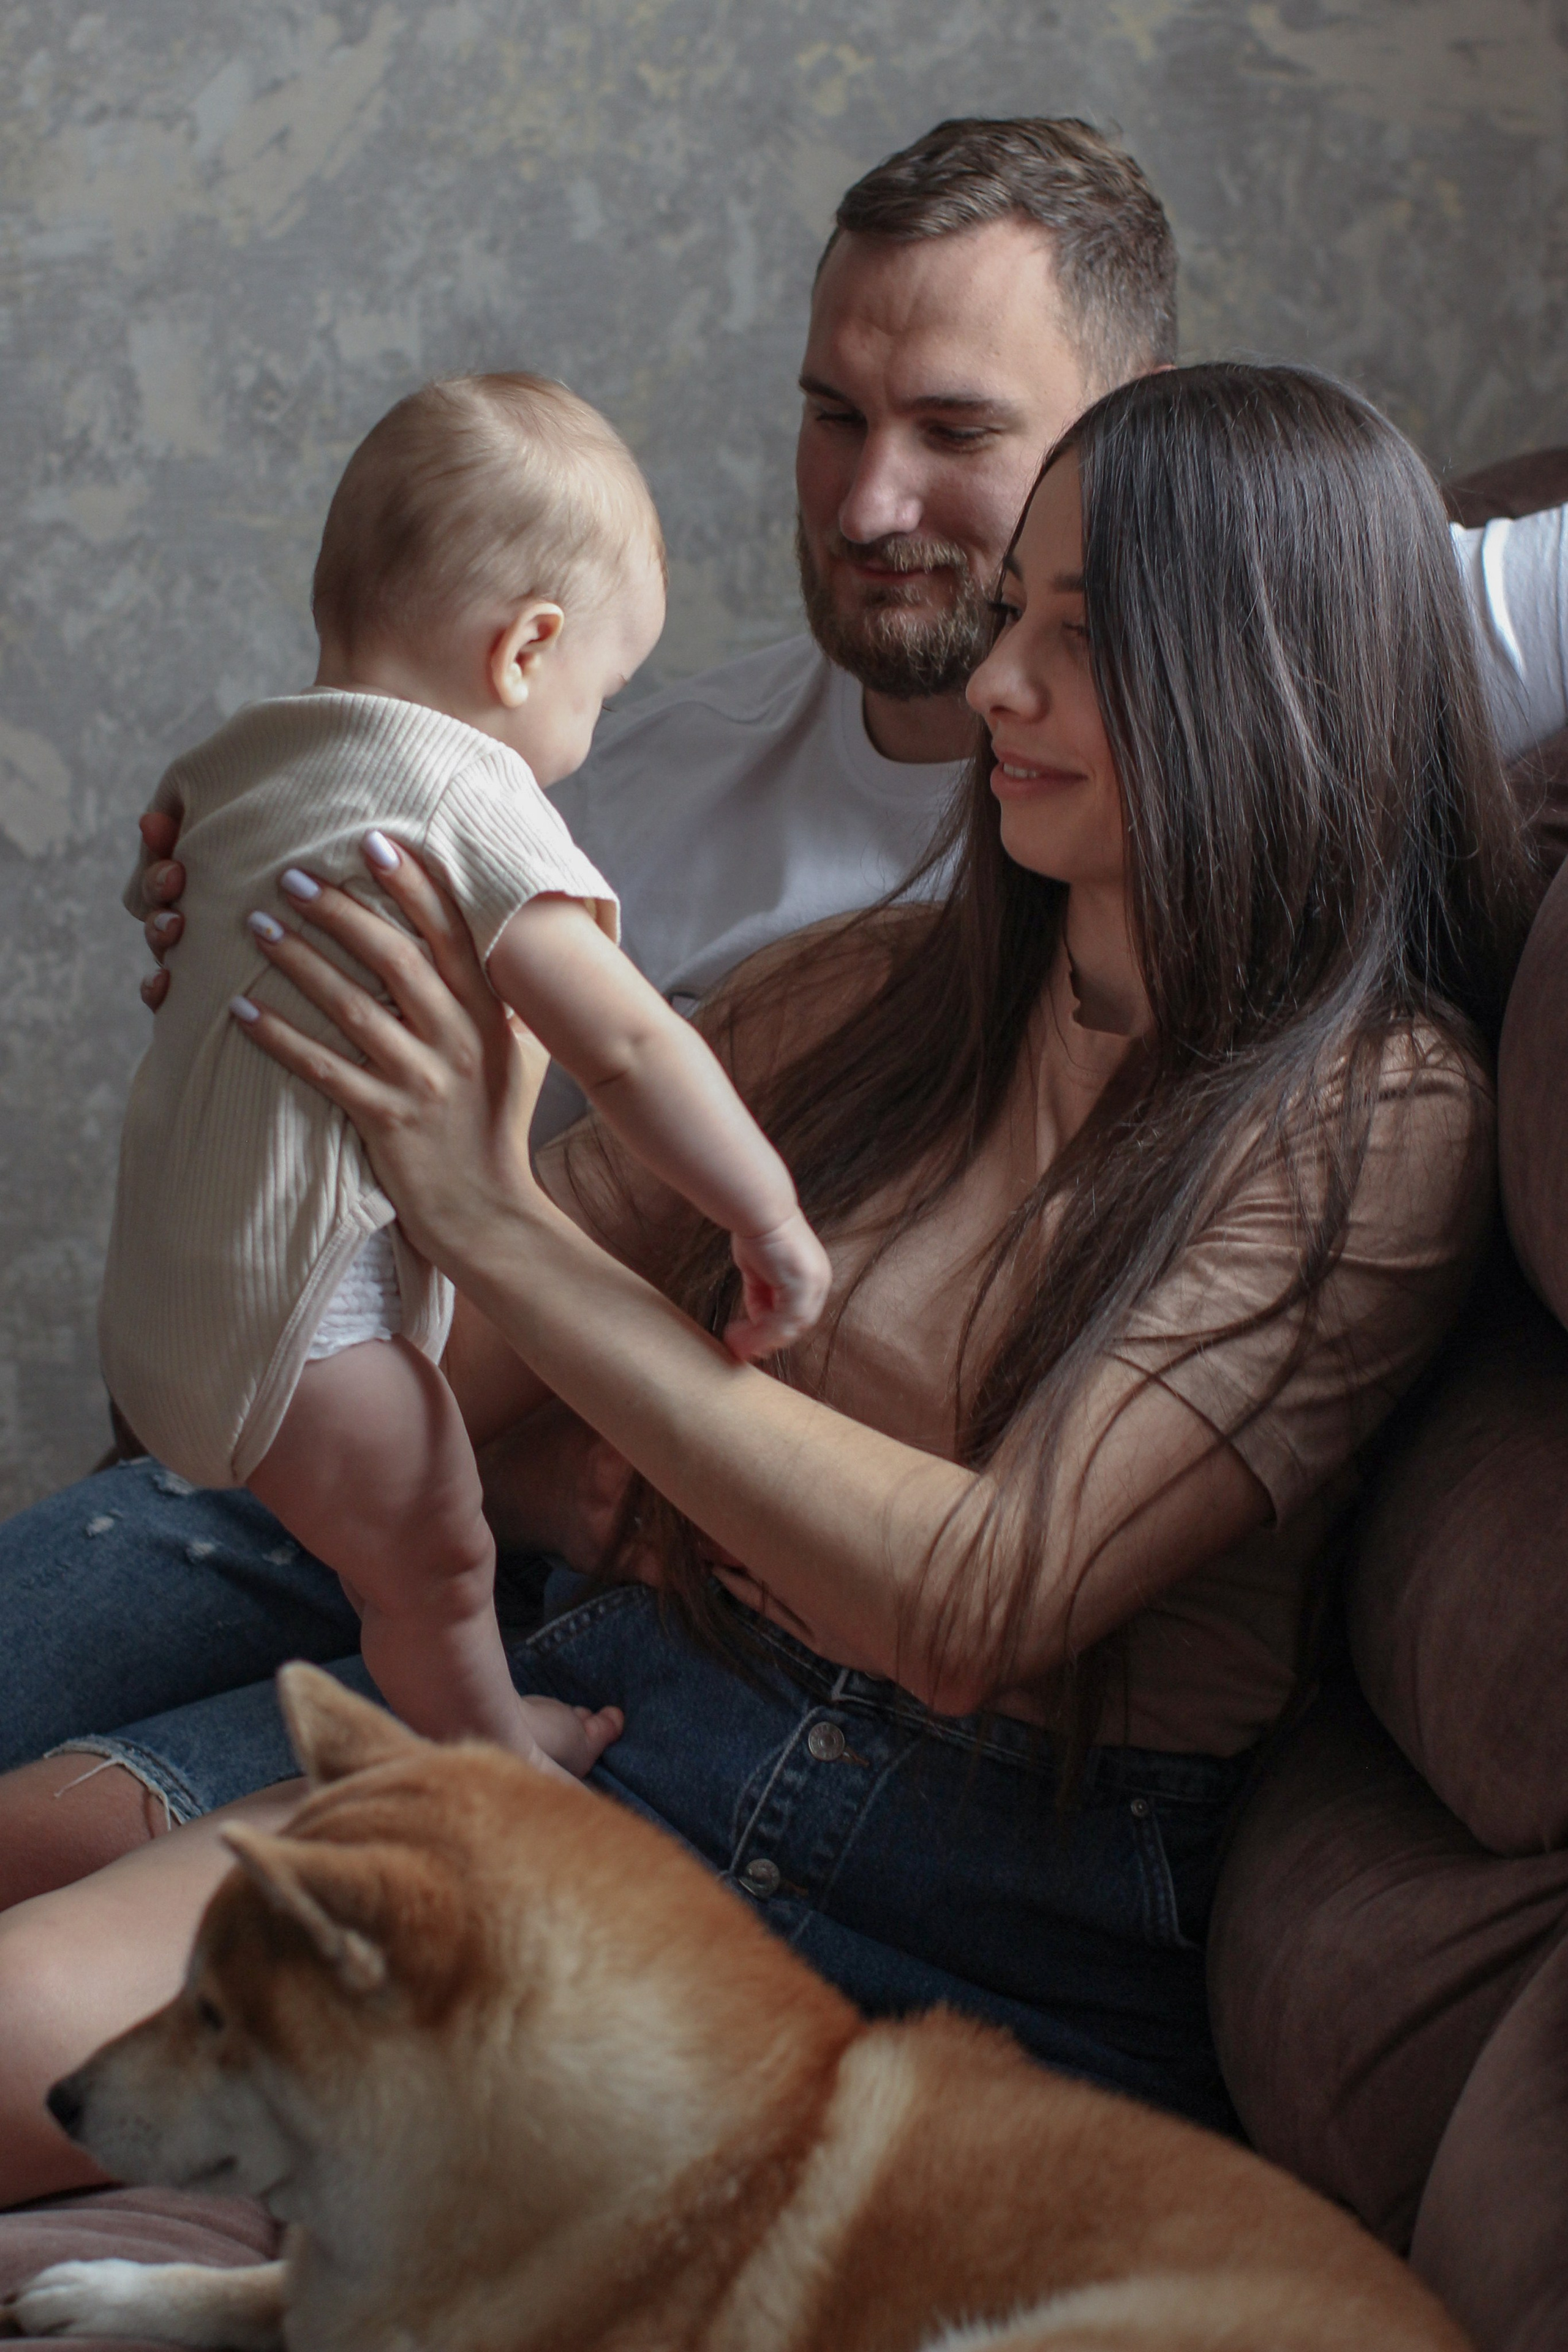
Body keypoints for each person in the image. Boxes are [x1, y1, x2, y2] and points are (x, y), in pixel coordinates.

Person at [0, 363, 1534, 2204]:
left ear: (1265, 677)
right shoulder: (870, 993)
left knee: (33, 2036)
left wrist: (492, 1217)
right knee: (35, 1906)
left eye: (1079, 634)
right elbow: (436, 1382)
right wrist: (283, 1040)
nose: (994, 684)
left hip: (943, 1885)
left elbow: (976, 1598)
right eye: (1012, 616)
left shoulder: (1381, 1121)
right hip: (631, 1682)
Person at [100, 371, 827, 1774]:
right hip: (311, 1343)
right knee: (437, 1563)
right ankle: (497, 1749)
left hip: (164, 1315)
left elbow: (169, 897)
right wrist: (764, 1212)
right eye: (603, 690)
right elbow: (630, 1041)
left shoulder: (242, 757)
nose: (591, 730)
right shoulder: (461, 795)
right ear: (526, 649)